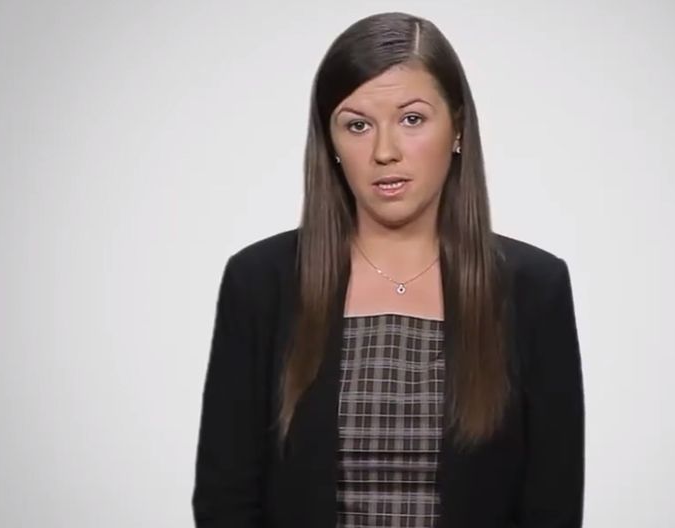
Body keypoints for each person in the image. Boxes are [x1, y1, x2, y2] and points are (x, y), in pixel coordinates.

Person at [192, 11, 584, 528]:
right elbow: (225, 500)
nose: (384, 152)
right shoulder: (260, 281)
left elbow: (552, 507)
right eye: (357, 125)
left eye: (412, 119)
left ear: (457, 128)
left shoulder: (534, 287)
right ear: (330, 143)